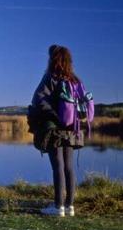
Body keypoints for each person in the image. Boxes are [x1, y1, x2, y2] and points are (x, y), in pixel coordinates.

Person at [30, 44, 88, 217]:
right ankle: (70, 206)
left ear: (52, 59)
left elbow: (38, 100)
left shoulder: (50, 77)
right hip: (72, 129)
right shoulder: (75, 80)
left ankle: (58, 207)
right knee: (69, 167)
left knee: (58, 167)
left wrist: (54, 115)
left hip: (54, 129)